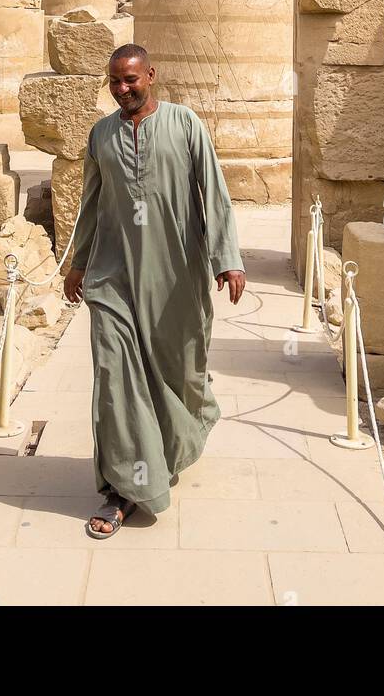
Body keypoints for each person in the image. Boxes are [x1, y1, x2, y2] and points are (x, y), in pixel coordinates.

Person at [62, 44, 246, 538]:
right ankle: (126, 488)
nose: (122, 90)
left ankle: (169, 446)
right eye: (114, 82)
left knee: (178, 373)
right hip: (112, 276)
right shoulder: (101, 134)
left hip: (176, 276)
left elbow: (215, 191)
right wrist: (78, 262)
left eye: (130, 80)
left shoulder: (186, 124)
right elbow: (91, 204)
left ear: (151, 76)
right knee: (116, 376)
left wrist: (226, 258)